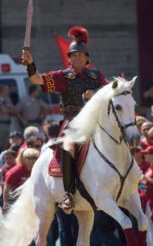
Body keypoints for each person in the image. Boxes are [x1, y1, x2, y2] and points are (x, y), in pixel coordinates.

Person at [22, 26, 108, 212]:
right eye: (73, 55)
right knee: (68, 149)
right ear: (69, 58)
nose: (77, 58)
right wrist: (30, 64)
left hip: (96, 122)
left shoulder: (96, 75)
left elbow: (110, 92)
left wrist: (97, 93)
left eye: (80, 55)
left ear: (87, 58)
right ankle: (68, 194)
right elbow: (36, 80)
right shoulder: (63, 77)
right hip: (73, 123)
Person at [2, 148, 40, 213]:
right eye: (30, 158)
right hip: (14, 199)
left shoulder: (38, 169)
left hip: (30, 198)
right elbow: (6, 189)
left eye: (35, 158)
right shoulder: (15, 171)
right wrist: (6, 204)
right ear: (24, 159)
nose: (34, 160)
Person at [0, 85, 16, 151]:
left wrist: (6, 110)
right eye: (6, 90)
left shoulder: (7, 99)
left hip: (7, 124)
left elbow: (13, 110)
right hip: (1, 124)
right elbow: (2, 111)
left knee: (5, 143)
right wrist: (8, 110)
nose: (8, 91)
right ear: (2, 91)